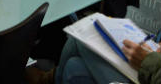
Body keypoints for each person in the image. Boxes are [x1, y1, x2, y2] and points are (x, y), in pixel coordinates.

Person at [30, 36, 161, 84]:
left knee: (80, 40)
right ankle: (50, 79)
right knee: (74, 65)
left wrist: (149, 61)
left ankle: (48, 79)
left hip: (151, 71)